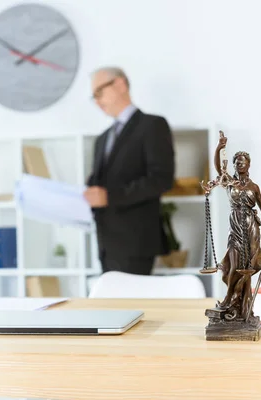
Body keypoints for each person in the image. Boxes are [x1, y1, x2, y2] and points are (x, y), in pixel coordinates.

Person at [84, 66, 175, 276]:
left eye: (99, 92)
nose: (97, 101)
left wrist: (109, 196)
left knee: (133, 306)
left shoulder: (152, 125)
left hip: (135, 242)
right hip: (105, 243)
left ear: (120, 84)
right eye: (93, 97)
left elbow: (161, 179)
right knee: (111, 306)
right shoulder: (103, 138)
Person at [213, 135, 261, 320]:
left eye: (243, 162)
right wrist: (219, 148)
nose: (240, 165)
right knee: (235, 265)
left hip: (251, 228)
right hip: (235, 226)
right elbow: (218, 168)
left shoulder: (254, 187)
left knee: (248, 266)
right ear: (234, 165)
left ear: (248, 165)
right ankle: (229, 297)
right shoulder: (229, 182)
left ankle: (243, 308)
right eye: (237, 163)